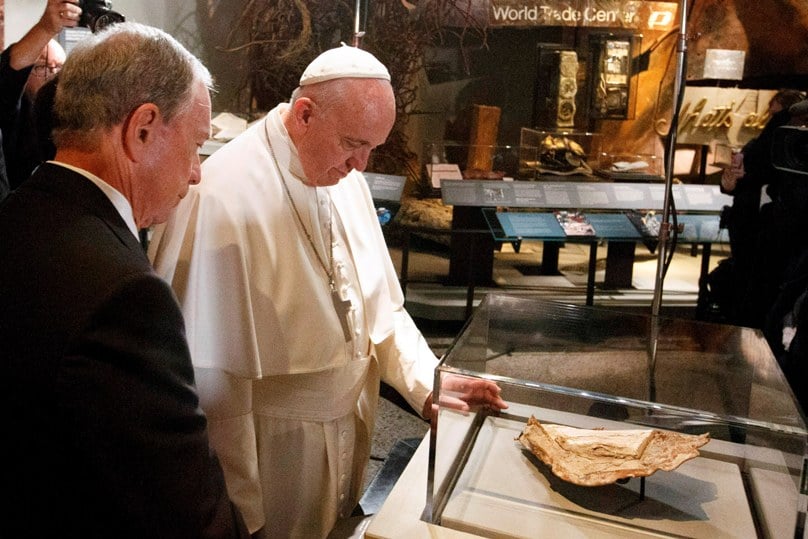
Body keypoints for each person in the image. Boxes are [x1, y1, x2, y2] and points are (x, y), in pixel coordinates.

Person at [149, 44, 507, 538]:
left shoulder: (342, 175)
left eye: (372, 148)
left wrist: (430, 385)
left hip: (349, 429)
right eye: (352, 143)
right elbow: (213, 387)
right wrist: (237, 512)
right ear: (305, 114)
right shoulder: (220, 195)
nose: (361, 164)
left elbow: (379, 309)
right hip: (275, 450)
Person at [0, 22, 248, 538]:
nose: (197, 172)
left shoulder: (16, 213)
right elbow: (184, 511)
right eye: (196, 145)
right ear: (142, 129)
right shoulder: (126, 297)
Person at [0, 0, 74, 193]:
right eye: (41, 68)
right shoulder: (13, 110)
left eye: (58, 68)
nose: (51, 75)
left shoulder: (74, 114)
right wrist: (46, 28)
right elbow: (11, 70)